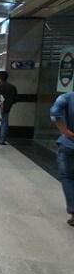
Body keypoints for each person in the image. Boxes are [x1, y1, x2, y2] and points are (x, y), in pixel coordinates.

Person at [49, 92, 74, 226]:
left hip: (70, 144)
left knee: (67, 177)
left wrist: (65, 131)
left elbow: (54, 113)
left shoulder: (67, 97)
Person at [0, 71, 18, 145]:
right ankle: (2, 140)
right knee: (4, 123)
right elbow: (15, 99)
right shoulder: (12, 87)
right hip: (7, 108)